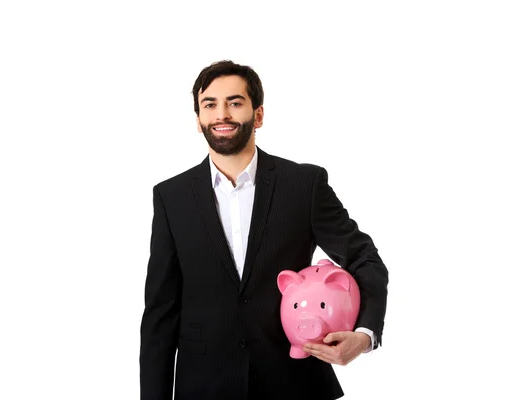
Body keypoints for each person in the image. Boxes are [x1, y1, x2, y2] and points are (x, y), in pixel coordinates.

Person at [139, 60, 388, 400]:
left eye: (235, 102)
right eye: (210, 104)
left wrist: (364, 335)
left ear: (258, 115)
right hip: (203, 387)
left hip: (294, 384)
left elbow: (364, 258)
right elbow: (160, 312)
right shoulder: (171, 197)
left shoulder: (304, 185)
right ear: (198, 120)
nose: (221, 114)